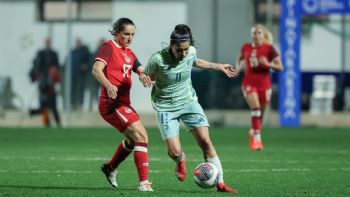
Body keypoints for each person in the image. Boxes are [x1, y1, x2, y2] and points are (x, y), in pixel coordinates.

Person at [139, 24, 238, 193]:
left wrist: (218, 66)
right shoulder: (157, 59)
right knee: (174, 151)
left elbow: (195, 61)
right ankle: (180, 160)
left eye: (186, 49)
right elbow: (144, 73)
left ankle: (220, 183)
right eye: (179, 50)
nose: (183, 53)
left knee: (206, 142)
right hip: (165, 107)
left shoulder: (190, 52)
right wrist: (144, 78)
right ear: (172, 46)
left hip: (188, 102)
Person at [91, 18, 153, 192]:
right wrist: (108, 85)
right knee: (142, 136)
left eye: (132, 34)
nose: (130, 38)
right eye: (126, 34)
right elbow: (96, 69)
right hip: (112, 104)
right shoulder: (109, 47)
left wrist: (142, 74)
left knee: (133, 140)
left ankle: (110, 167)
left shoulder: (128, 52)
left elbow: (138, 66)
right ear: (116, 33)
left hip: (123, 103)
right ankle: (144, 183)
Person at [235, 24, 283, 151]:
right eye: (254, 33)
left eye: (259, 33)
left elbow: (280, 67)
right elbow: (240, 58)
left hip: (264, 84)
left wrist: (268, 64)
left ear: (263, 35)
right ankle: (257, 140)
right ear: (251, 35)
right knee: (255, 108)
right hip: (249, 83)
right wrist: (238, 67)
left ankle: (253, 132)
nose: (256, 35)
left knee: (260, 115)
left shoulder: (269, 49)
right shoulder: (246, 47)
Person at [29, 38, 61, 128]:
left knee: (53, 105)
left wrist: (54, 78)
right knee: (44, 106)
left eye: (49, 42)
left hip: (51, 85)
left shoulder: (54, 54)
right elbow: (36, 67)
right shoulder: (40, 54)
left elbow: (57, 67)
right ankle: (46, 124)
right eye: (46, 42)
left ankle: (58, 124)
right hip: (42, 84)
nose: (47, 44)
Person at [71, 38, 91, 110]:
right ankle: (72, 104)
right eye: (76, 43)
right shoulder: (73, 52)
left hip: (81, 74)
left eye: (78, 42)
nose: (77, 44)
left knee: (81, 89)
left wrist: (85, 65)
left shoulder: (84, 52)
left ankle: (80, 104)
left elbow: (89, 61)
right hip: (73, 74)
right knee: (72, 89)